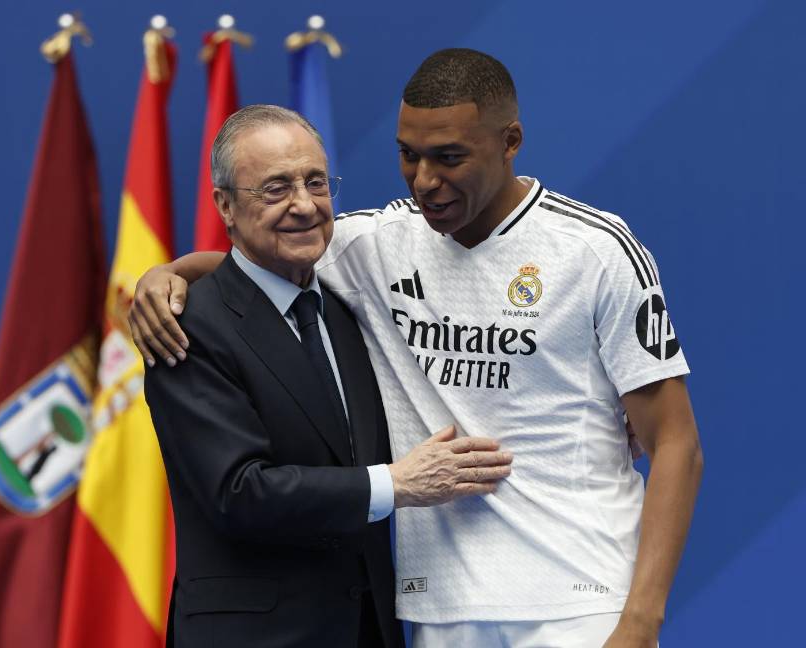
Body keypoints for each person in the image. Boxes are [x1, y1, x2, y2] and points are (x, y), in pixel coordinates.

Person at [134, 49, 703, 648]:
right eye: (409, 155)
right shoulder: (374, 244)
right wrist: (168, 274)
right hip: (435, 608)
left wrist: (641, 621)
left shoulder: (595, 250)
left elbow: (677, 444)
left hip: (578, 604)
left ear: (510, 142)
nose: (426, 180)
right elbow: (257, 264)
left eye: (449, 157)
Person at [143, 104, 513, 648]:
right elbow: (238, 493)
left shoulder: (349, 310)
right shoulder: (188, 325)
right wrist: (398, 483)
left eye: (316, 182)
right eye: (274, 189)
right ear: (225, 205)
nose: (303, 205)